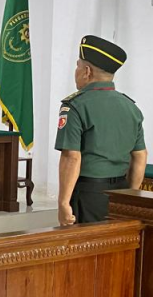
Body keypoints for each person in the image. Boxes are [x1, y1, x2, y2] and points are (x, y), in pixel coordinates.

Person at [55, 35, 147, 226]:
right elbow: (140, 156)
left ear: (87, 71)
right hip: (121, 190)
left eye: (78, 66)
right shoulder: (131, 107)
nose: (76, 71)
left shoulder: (75, 106)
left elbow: (71, 157)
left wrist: (63, 202)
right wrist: (130, 194)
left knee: (84, 243)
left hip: (89, 193)